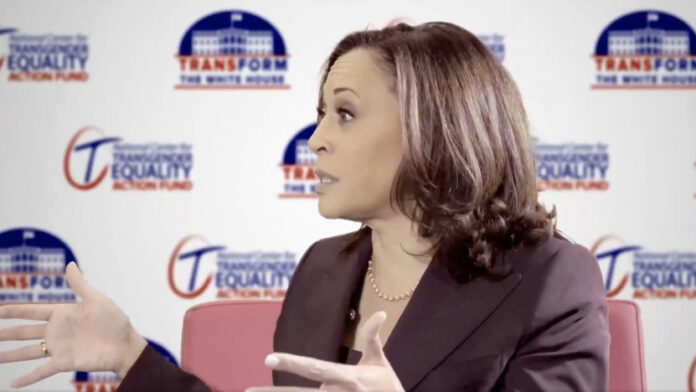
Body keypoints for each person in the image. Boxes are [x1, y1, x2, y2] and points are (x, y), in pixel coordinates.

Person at [0, 22, 610, 391]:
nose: (316, 139)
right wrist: (129, 355)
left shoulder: (551, 279)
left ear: (431, 129)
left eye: (344, 112)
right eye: (320, 114)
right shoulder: (323, 267)